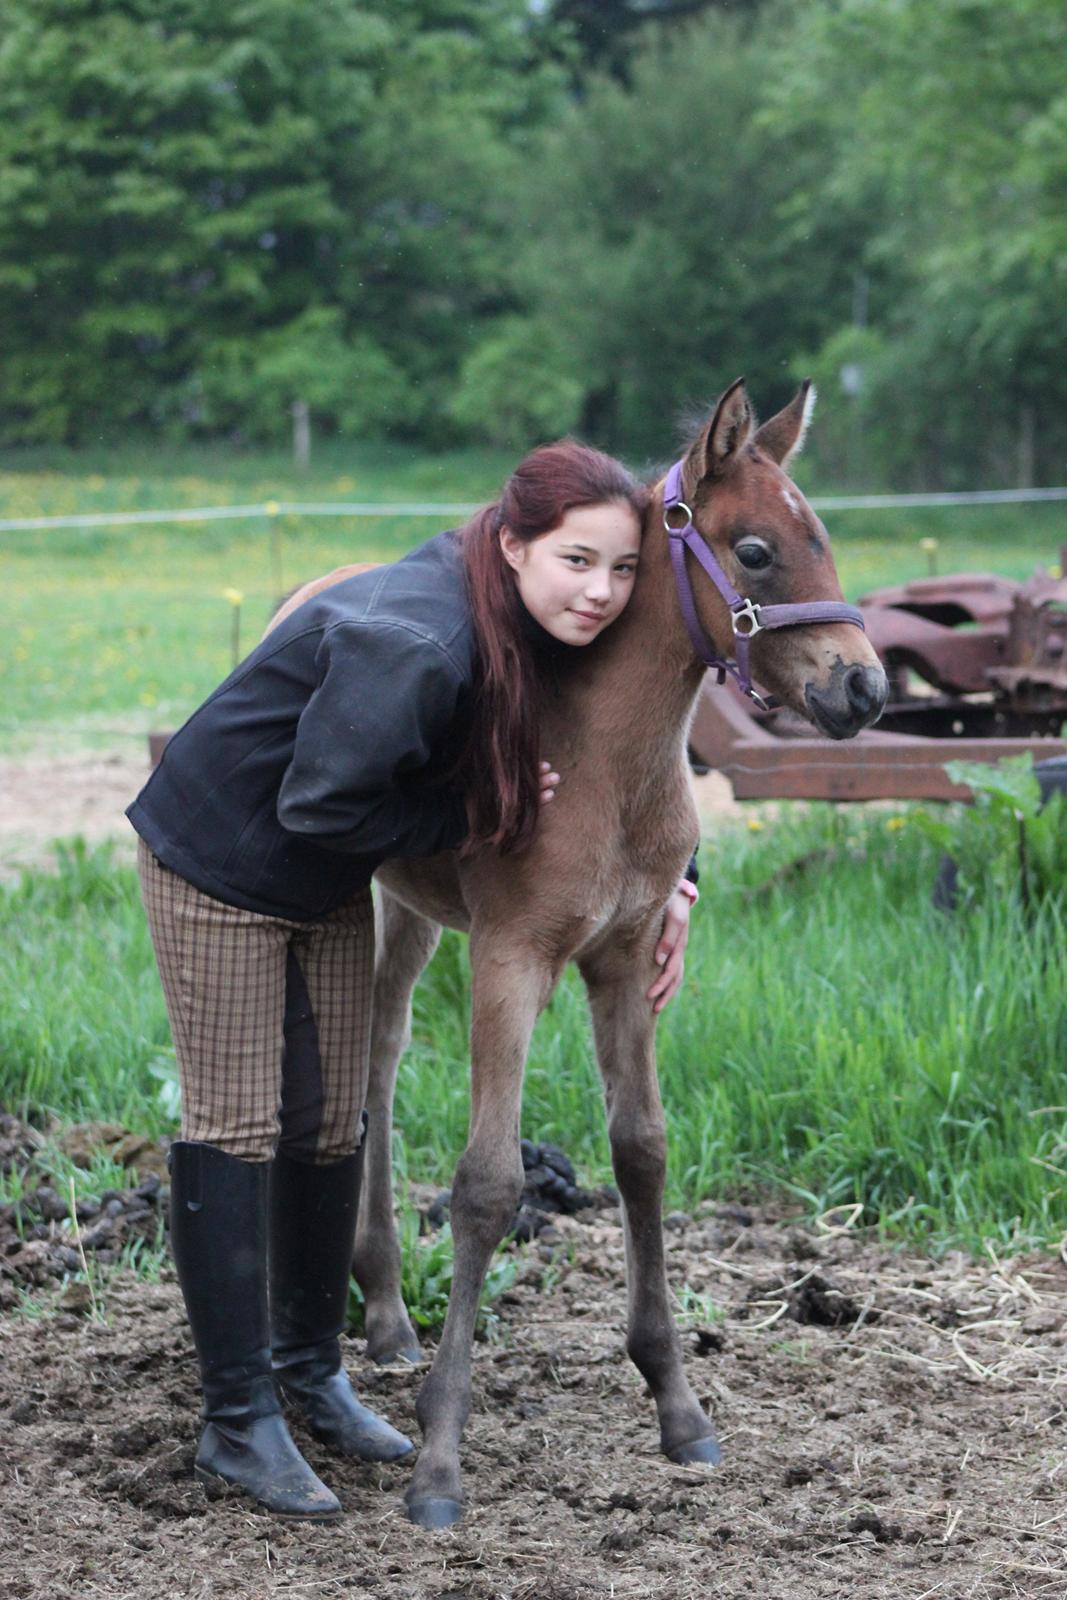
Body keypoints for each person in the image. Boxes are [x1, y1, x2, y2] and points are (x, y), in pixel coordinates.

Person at [127, 440, 699, 1521]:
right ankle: (236, 1417)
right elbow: (316, 806)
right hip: (225, 857)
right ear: (513, 539)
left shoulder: (525, 611)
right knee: (242, 1123)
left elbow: (631, 748)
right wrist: (468, 816)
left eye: (621, 571)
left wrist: (679, 878)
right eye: (578, 561)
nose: (601, 592)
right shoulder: (424, 639)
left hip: (328, 873)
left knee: (329, 1119)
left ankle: (312, 1372)